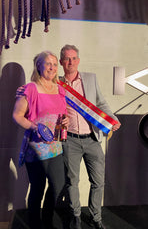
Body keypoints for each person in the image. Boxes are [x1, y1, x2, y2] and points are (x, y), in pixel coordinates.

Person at [58, 44, 121, 229]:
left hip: (92, 139)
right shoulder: (56, 84)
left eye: (74, 58)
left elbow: (101, 102)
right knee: (72, 182)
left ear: (78, 60)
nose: (71, 62)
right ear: (61, 62)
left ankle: (96, 218)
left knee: (98, 181)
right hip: (69, 140)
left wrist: (112, 120)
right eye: (67, 58)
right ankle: (75, 216)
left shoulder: (90, 79)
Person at [12, 51, 69, 229]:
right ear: (39, 66)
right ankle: (35, 224)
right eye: (48, 63)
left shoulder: (60, 89)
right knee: (37, 187)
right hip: (36, 148)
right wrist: (35, 127)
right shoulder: (30, 88)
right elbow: (17, 115)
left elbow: (62, 113)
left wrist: (66, 119)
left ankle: (47, 220)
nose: (52, 67)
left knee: (58, 185)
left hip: (56, 147)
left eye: (54, 64)